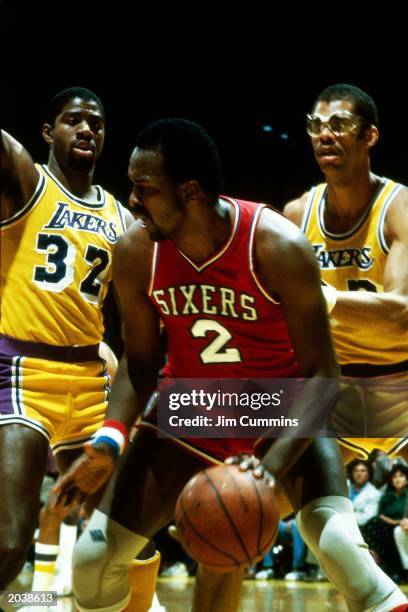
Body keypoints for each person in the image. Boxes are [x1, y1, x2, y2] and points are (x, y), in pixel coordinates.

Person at [55, 118, 407, 612]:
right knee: (92, 562)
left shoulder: (277, 245)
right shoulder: (137, 250)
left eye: (145, 189)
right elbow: (139, 363)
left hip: (277, 407)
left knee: (343, 551)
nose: (132, 201)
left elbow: (323, 376)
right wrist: (110, 439)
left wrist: (267, 470)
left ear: (190, 191)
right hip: (193, 410)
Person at [0, 86, 134, 590]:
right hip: (23, 375)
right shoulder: (27, 184)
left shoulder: (121, 219)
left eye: (95, 124)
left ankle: (60, 599)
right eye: (73, 120)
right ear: (47, 132)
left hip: (89, 385)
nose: (86, 130)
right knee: (11, 540)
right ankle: (44, 593)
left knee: (123, 537)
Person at [283, 83, 408, 463]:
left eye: (338, 124)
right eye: (316, 125)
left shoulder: (399, 208)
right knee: (256, 500)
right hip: (334, 385)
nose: (324, 134)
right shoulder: (296, 214)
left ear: (369, 135)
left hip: (402, 381)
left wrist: (327, 298)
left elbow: (403, 312)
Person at [364, 464, 408, 582]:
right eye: (394, 476)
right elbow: (380, 515)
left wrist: (395, 521)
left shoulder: (407, 495)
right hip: (386, 528)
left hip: (402, 528)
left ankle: (397, 570)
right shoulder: (387, 496)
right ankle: (378, 563)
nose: (397, 479)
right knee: (372, 523)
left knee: (393, 531)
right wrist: (389, 521)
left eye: (401, 476)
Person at [347, 459, 381, 528]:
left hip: (360, 529)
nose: (359, 474)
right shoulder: (346, 488)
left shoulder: (374, 494)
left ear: (369, 474)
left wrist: (345, 517)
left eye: (363, 471)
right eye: (356, 470)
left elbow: (368, 516)